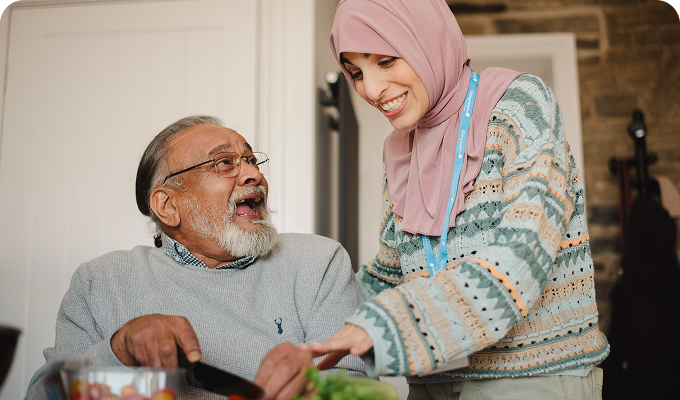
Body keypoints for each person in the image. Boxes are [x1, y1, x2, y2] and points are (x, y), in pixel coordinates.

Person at [302, 0, 609, 398]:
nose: (371, 90)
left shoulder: (519, 103)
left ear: (426, 40)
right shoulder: (397, 149)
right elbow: (389, 276)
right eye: (356, 72)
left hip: (532, 378)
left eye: (387, 61)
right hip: (432, 384)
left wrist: (378, 326)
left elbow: (521, 256)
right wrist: (306, 327)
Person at [24, 115, 366, 400]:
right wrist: (119, 351)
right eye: (224, 164)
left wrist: (312, 388)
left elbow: (357, 389)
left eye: (250, 160)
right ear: (169, 206)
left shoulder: (318, 262)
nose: (253, 175)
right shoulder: (100, 281)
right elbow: (44, 396)